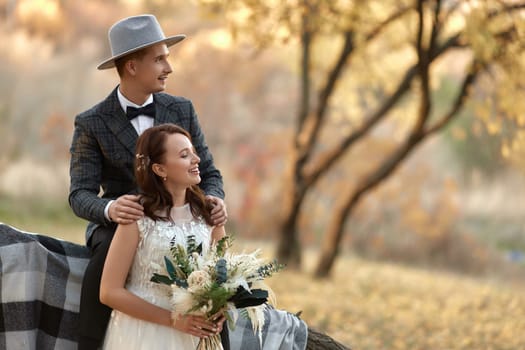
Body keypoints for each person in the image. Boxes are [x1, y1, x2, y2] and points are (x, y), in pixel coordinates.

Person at [68, 14, 227, 349]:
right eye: (159, 59)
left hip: (183, 214)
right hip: (123, 223)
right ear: (131, 67)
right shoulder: (91, 122)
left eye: (166, 58)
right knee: (104, 264)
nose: (168, 67)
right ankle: (89, 342)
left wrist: (214, 199)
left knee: (213, 277)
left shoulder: (182, 109)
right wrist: (111, 208)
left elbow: (209, 172)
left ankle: (215, 338)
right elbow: (79, 194)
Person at [99, 124, 227, 349]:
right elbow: (109, 292)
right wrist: (173, 320)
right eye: (184, 155)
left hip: (196, 335)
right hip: (143, 334)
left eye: (193, 152)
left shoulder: (210, 214)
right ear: (160, 169)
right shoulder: (137, 215)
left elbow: (223, 280)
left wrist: (219, 312)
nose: (196, 159)